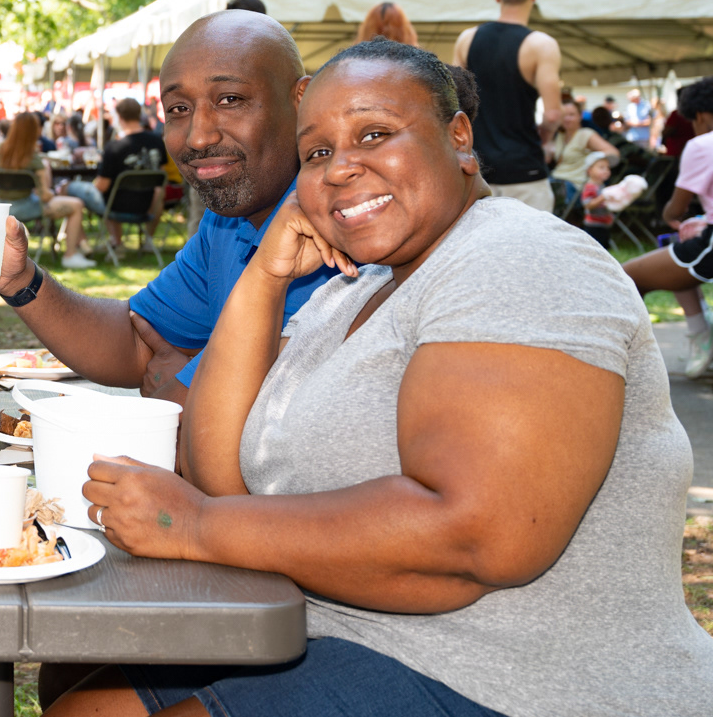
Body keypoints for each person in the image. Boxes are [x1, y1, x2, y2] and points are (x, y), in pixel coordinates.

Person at [49, 39, 713, 717]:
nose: (340, 168)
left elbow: (473, 537)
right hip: (341, 628)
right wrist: (264, 279)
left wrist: (196, 526)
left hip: (518, 678)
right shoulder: (352, 289)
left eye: (373, 134)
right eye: (317, 153)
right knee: (75, 674)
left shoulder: (519, 258)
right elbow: (218, 472)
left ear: (459, 137)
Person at [0, 10, 342, 408]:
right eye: (179, 109)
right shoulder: (226, 223)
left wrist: (182, 392)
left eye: (230, 99)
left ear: (302, 100)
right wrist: (19, 278)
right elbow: (135, 341)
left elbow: (228, 422)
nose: (198, 137)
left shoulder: (339, 229)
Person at [452, 0, 562, 212]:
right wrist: (546, 139)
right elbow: (553, 115)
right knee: (531, 237)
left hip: (475, 167)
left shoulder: (467, 39)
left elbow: (453, 101)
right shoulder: (541, 45)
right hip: (524, 169)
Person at [623, 77, 713, 377]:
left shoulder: (702, 145)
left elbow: (675, 208)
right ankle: (702, 331)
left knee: (628, 276)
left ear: (700, 115)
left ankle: (636, 366)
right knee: (679, 252)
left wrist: (675, 216)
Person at [0, 113, 95, 269]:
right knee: (76, 204)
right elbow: (45, 195)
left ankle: (79, 247)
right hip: (24, 207)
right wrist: (54, 193)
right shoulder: (32, 156)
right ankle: (70, 254)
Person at [65, 97, 165, 249]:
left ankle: (98, 244)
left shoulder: (115, 147)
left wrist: (93, 183)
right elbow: (161, 177)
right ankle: (147, 240)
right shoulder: (157, 141)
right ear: (139, 114)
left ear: (119, 116)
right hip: (148, 204)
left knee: (69, 188)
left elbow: (102, 186)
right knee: (154, 191)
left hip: (117, 207)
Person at [547, 98, 617, 207]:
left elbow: (613, 152)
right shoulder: (560, 136)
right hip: (555, 180)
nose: (567, 118)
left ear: (580, 116)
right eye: (564, 115)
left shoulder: (586, 134)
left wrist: (594, 161)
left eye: (571, 115)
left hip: (574, 187)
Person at [579, 151, 615, 250]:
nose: (606, 170)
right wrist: (603, 197)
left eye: (607, 168)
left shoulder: (602, 186)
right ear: (590, 170)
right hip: (593, 226)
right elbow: (588, 204)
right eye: (601, 167)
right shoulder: (590, 187)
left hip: (604, 224)